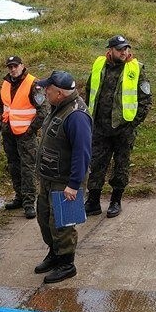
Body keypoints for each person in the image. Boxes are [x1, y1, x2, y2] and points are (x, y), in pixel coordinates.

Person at [84, 35, 153, 218]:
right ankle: (93, 202)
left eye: (126, 49)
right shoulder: (99, 65)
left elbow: (146, 100)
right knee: (96, 164)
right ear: (111, 50)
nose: (124, 52)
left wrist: (132, 123)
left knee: (121, 166)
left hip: (123, 129)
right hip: (100, 128)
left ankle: (116, 200)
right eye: (120, 49)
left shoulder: (136, 69)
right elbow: (89, 91)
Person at [33, 70, 92, 283]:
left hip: (66, 181)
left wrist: (74, 185)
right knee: (45, 219)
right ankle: (55, 254)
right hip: (49, 178)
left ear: (59, 93)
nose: (44, 91)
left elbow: (82, 153)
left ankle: (67, 264)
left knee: (62, 225)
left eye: (48, 88)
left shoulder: (76, 115)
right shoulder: (58, 107)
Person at [0, 55, 49, 220]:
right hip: (9, 133)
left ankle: (28, 203)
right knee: (13, 166)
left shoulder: (34, 84)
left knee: (28, 168)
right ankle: (19, 197)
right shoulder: (6, 83)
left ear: (22, 66)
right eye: (10, 66)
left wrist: (31, 129)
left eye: (15, 66)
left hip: (26, 135)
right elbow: (0, 105)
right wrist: (1, 122)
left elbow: (44, 110)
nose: (12, 69)